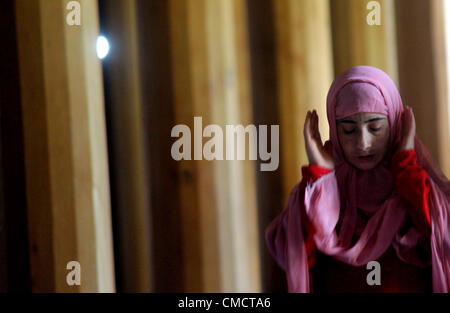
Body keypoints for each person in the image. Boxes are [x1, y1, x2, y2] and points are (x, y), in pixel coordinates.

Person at [265, 65, 450, 293]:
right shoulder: (315, 189)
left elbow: (442, 240)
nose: (363, 143)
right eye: (349, 131)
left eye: (375, 127)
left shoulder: (416, 183)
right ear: (334, 129)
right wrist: (321, 179)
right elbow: (299, 255)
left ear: (394, 124)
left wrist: (406, 167)